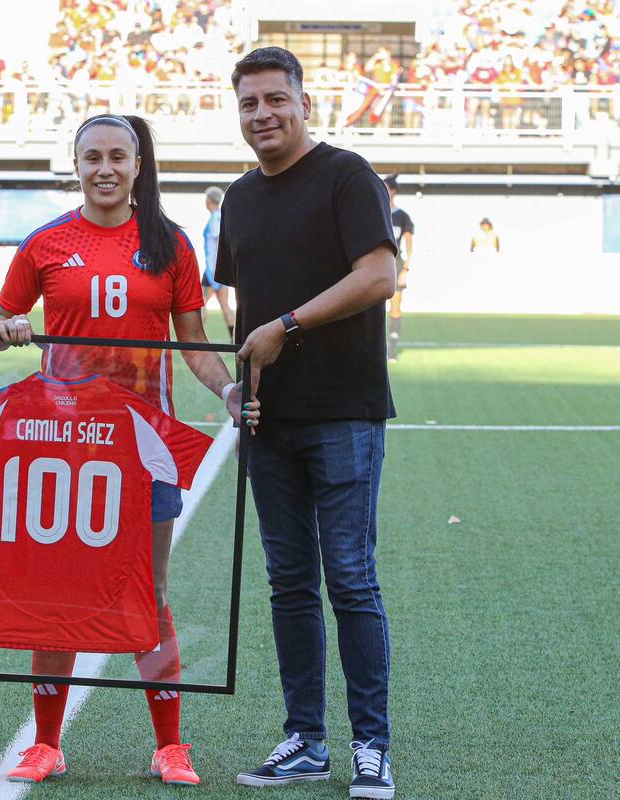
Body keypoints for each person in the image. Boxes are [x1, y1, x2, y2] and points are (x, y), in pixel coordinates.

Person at [0, 113, 259, 787]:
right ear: (75, 165)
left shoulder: (167, 245)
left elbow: (194, 345)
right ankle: (47, 743)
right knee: (58, 594)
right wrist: (8, 329)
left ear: (138, 164)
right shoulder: (45, 244)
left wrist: (227, 392)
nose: (104, 168)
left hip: (143, 448)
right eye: (91, 157)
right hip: (65, 446)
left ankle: (171, 745)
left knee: (149, 593)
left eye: (117, 156)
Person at [215, 48, 398, 799]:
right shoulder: (238, 197)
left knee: (349, 579)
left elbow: (380, 274)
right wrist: (236, 381)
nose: (263, 114)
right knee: (288, 583)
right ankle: (306, 740)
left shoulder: (347, 175)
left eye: (275, 100)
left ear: (304, 102)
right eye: (250, 103)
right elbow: (238, 300)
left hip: (343, 413)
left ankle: (373, 747)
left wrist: (286, 326)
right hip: (270, 420)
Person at [383, 175, 414, 362]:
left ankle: (392, 350)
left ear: (393, 191)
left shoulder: (402, 217)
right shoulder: (375, 212)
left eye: (385, 187)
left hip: (396, 265)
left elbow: (410, 244)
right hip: (376, 266)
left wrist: (406, 269)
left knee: (395, 308)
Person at [201, 185, 236, 341]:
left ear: (210, 201)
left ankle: (195, 338)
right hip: (216, 269)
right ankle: (235, 340)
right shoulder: (217, 216)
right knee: (224, 306)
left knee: (201, 305)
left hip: (212, 270)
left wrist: (214, 270)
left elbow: (217, 241)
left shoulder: (215, 218)